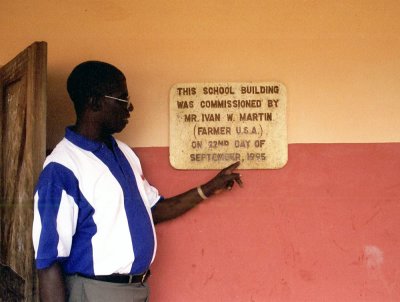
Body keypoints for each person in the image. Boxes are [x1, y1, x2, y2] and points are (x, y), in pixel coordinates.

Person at [32, 61, 242, 302]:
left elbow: (153, 209)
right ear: (95, 102)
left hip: (137, 289)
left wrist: (208, 188)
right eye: (122, 100)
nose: (130, 108)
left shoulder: (123, 153)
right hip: (96, 292)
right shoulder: (62, 169)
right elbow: (48, 261)